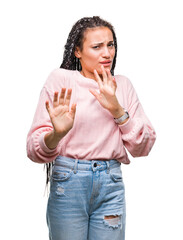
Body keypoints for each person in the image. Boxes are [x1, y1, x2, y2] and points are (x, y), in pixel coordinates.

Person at [27, 16, 156, 240]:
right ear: (77, 51)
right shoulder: (61, 80)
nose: (107, 53)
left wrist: (117, 110)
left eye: (110, 44)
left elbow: (143, 147)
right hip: (69, 182)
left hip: (111, 183)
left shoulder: (122, 85)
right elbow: (33, 149)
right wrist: (57, 134)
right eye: (97, 47)